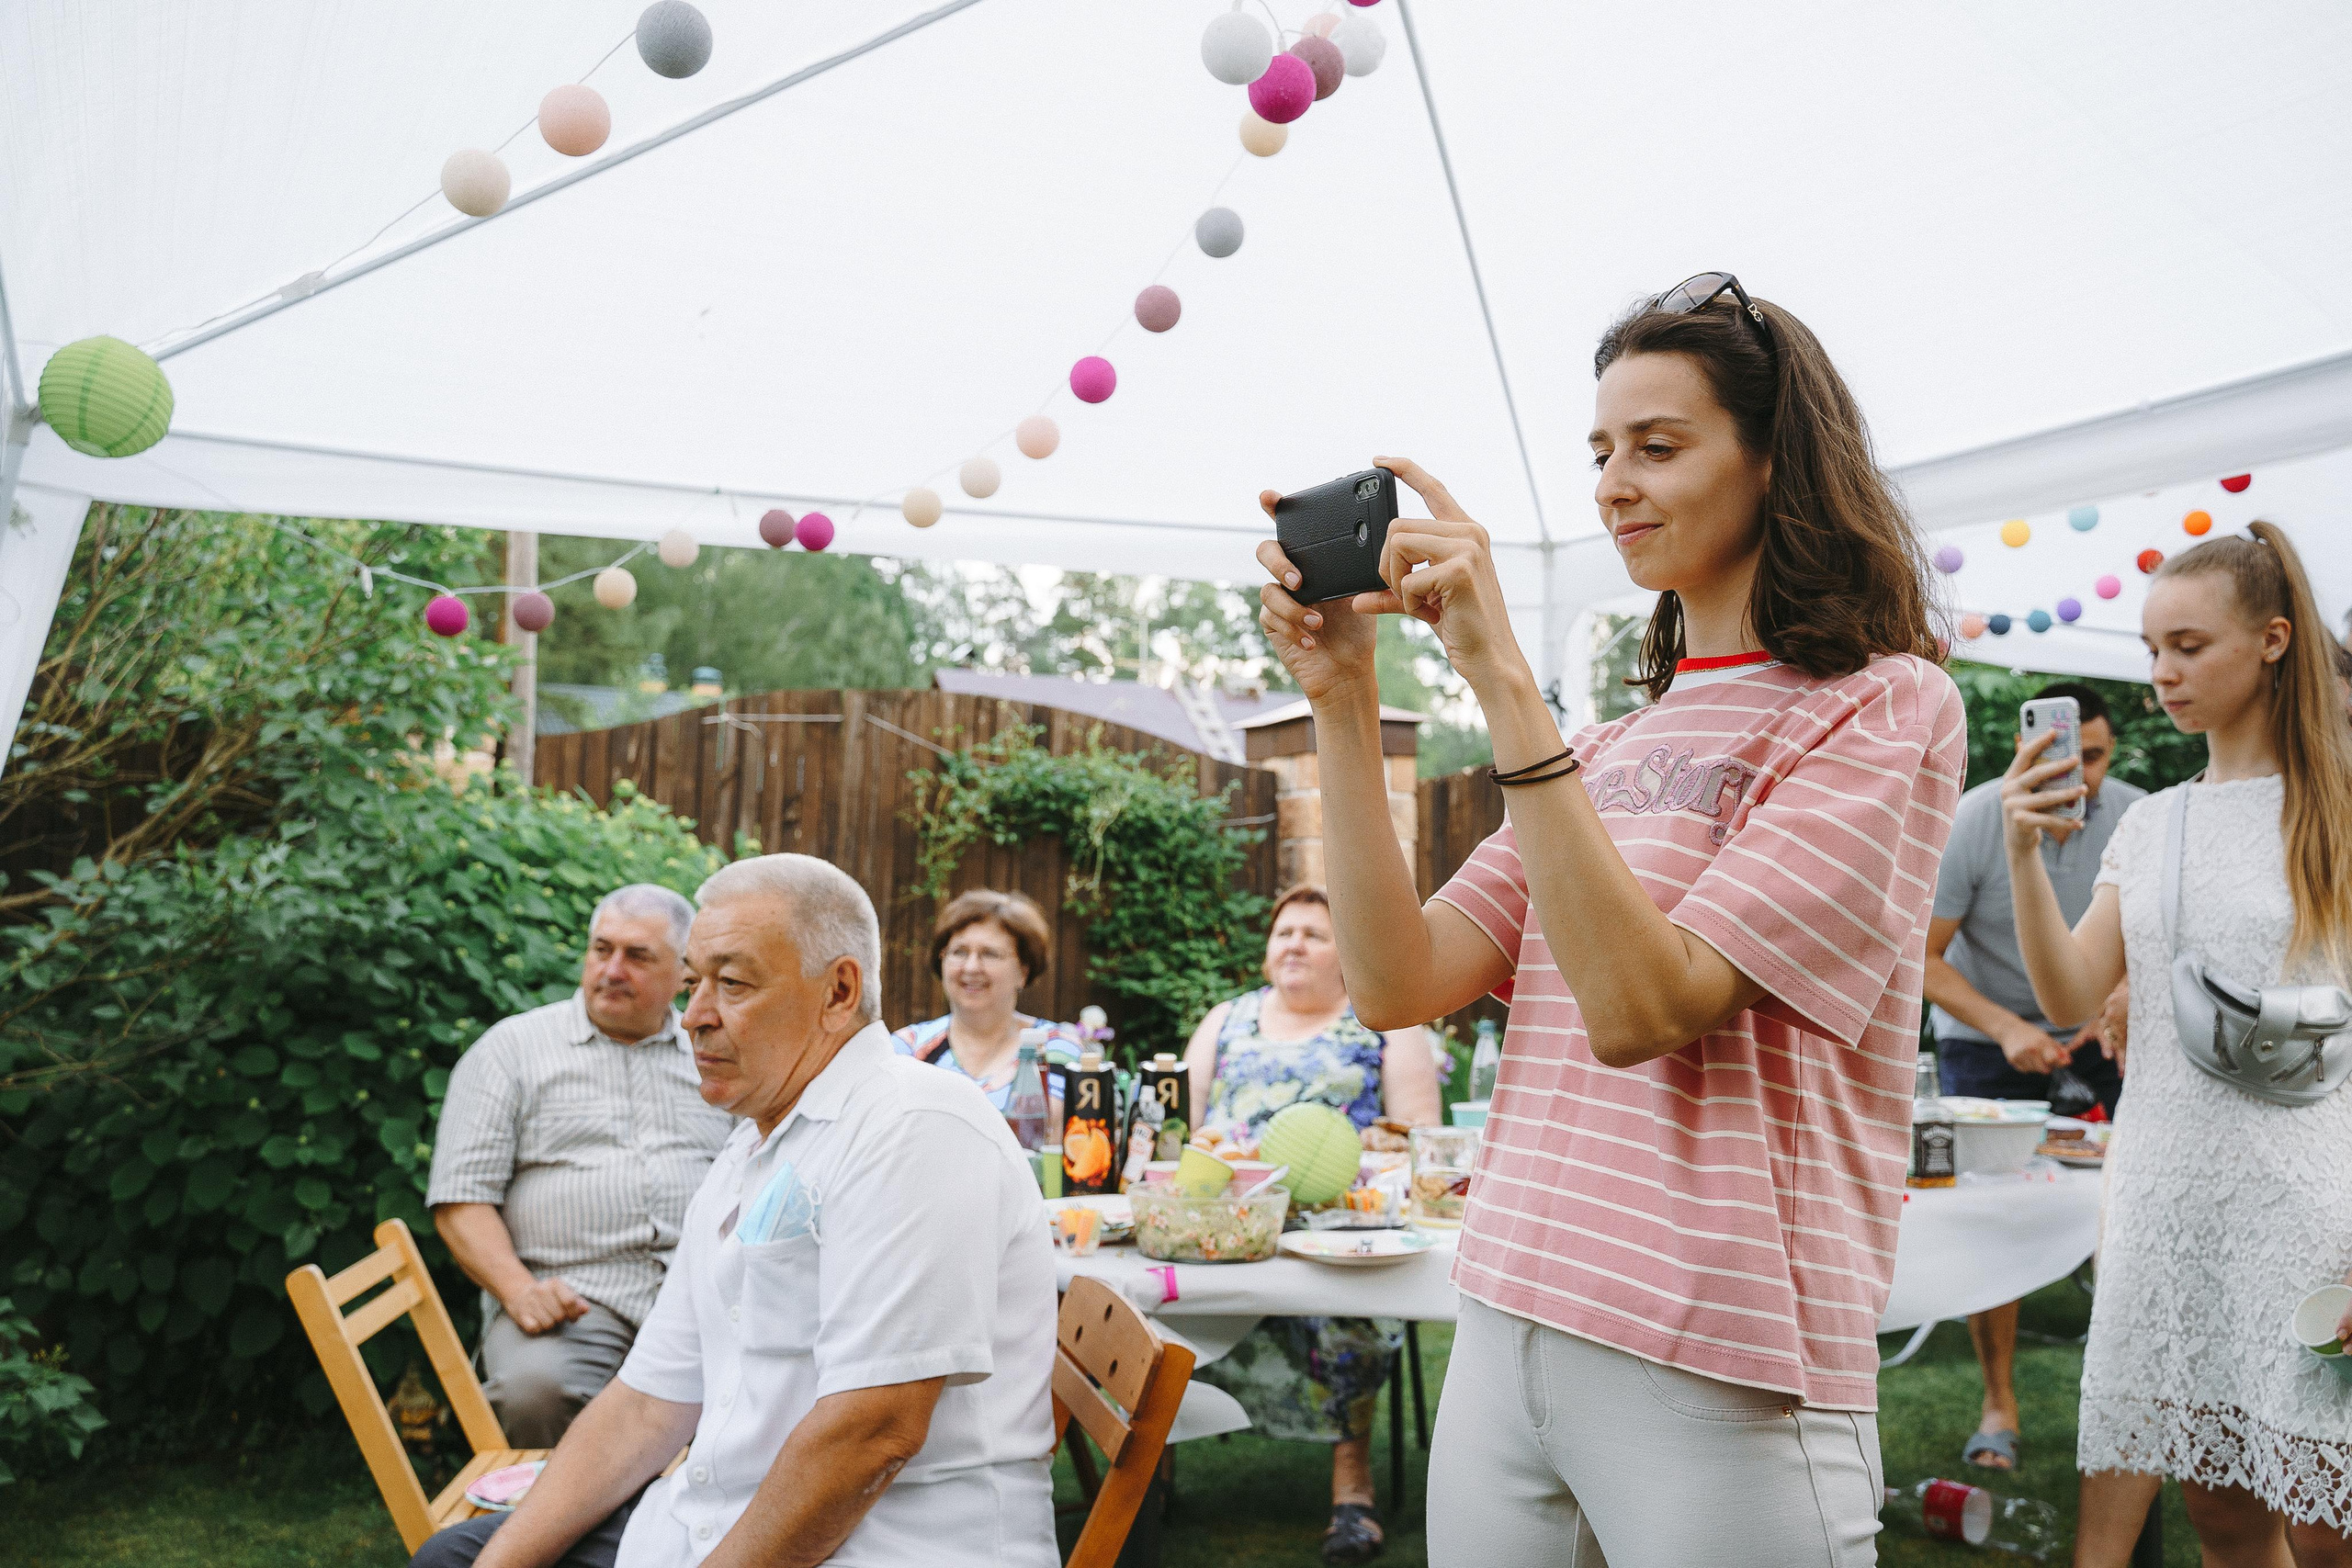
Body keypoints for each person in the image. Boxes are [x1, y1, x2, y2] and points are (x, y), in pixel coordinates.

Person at [1255, 274, 1965, 1566]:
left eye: (1657, 445)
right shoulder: (1604, 745)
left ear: (1772, 462)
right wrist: (1345, 694)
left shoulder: (1882, 709)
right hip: (1513, 1302)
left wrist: (1502, 677)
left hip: (1720, 1352)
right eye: (1598, 450)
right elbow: (1398, 979)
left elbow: (1649, 1006)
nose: (1612, 483)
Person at [411, 853, 1058, 1568]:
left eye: (733, 983)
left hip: (890, 1545)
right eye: (692, 983)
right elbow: (645, 1404)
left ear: (839, 991)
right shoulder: (756, 1145)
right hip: (714, 1523)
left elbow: (870, 1434)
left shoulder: (914, 1127)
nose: (692, 1017)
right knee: (459, 1558)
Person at [2002, 522, 2352, 1568]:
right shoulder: (2152, 821)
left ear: (2274, 641)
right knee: (2222, 1519)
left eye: (2188, 646)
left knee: (2327, 1529)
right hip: (2164, 1205)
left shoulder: (2335, 815)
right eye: (2153, 648)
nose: (2160, 673)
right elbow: (2069, 990)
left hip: (2307, 1214)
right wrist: (2024, 851)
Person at [1179, 884, 1442, 1566]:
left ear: (1349, 953)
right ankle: (1151, 1462)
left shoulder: (1387, 1021)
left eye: (1313, 934)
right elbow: (1186, 1127)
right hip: (1232, 1226)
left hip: (1336, 1230)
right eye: (1282, 932)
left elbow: (1421, 1140)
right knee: (1151, 1289)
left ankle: (1351, 1490)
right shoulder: (1225, 1019)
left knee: (1347, 1303)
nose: (1292, 943)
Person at [1924, 681, 2143, 1472]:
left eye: (2093, 756)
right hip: (1990, 1029)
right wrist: (2009, 1026)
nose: (2078, 774)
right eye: (2061, 753)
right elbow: (1921, 956)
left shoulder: (2136, 814)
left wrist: (2117, 995)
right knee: (1995, 1215)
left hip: (2098, 1030)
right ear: (2029, 745)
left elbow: (2160, 937)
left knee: (2132, 1196)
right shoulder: (1976, 818)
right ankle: (1997, 1401)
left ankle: (2128, 1387)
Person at [428, 885, 732, 1447]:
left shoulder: (715, 1054)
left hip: (705, 1293)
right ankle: (561, 1534)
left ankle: (692, 1532)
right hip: (571, 1301)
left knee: (782, 1385)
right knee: (536, 1389)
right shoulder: (511, 1051)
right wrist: (519, 1291)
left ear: (685, 974)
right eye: (601, 950)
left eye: (638, 956)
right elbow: (459, 1198)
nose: (613, 970)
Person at [892, 889, 1083, 1117]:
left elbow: (1050, 1133)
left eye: (990, 954)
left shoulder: (1055, 1048)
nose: (971, 967)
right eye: (959, 952)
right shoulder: (908, 1048)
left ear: (1023, 971)